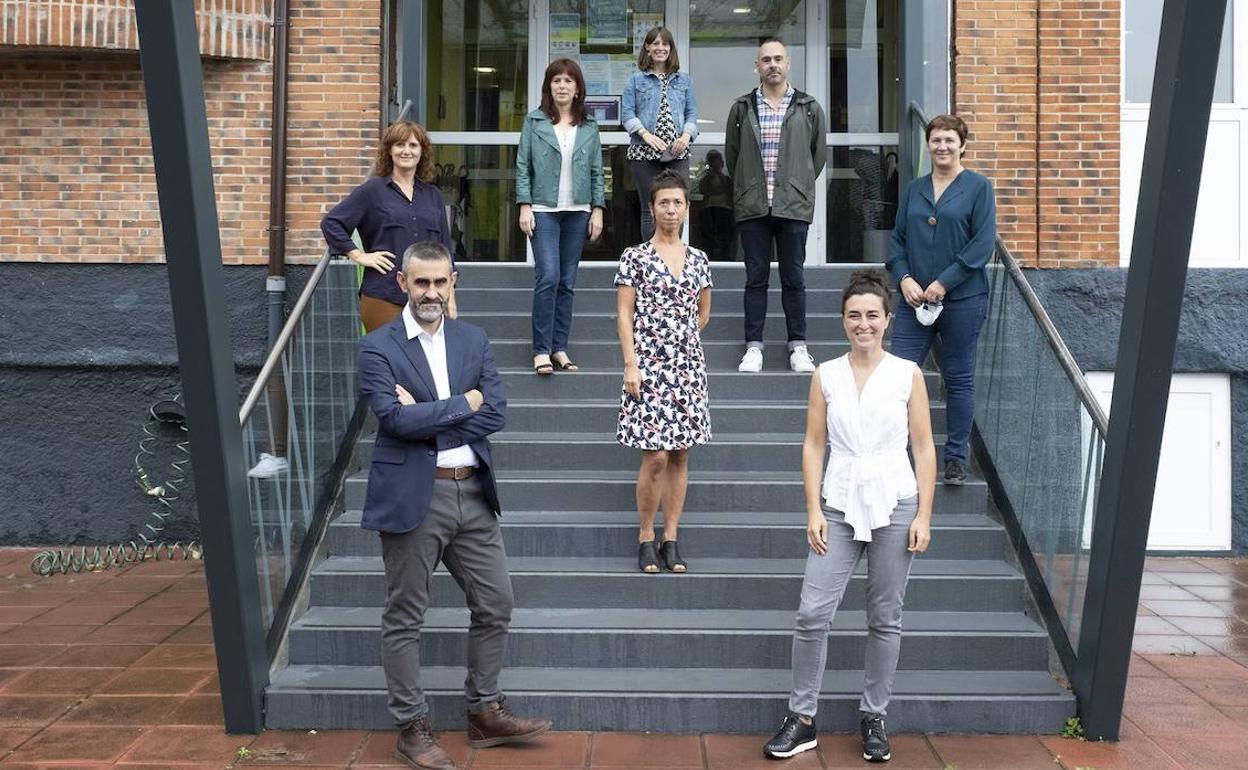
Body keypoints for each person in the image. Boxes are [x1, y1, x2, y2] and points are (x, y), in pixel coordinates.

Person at [357, 242, 551, 770]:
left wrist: (428, 414)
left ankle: (484, 711)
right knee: (405, 615)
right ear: (403, 283)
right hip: (414, 497)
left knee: (496, 603)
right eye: (421, 282)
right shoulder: (378, 347)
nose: (431, 293)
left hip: (474, 494)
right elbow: (393, 420)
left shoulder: (473, 339)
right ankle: (411, 727)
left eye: (440, 282)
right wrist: (462, 404)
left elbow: (496, 412)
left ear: (453, 281)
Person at [763, 270, 936, 764]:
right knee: (812, 614)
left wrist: (924, 514)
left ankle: (874, 716)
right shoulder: (826, 375)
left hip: (896, 502)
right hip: (838, 504)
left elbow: (924, 446)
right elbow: (813, 443)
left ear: (887, 320)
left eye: (872, 315)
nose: (864, 324)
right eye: (855, 315)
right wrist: (812, 508)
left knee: (885, 617)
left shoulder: (907, 374)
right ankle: (801, 718)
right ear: (843, 320)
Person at [885, 114, 997, 485]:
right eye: (936, 140)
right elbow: (898, 241)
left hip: (963, 299)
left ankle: (955, 458)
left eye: (950, 140)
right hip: (914, 301)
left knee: (959, 378)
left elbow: (982, 244)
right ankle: (894, 453)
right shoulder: (914, 189)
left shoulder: (978, 188)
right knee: (899, 377)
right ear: (928, 145)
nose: (943, 146)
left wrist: (944, 283)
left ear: (962, 145)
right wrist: (903, 279)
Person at [614, 171, 712, 574]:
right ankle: (645, 536)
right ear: (652, 209)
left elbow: (702, 314)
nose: (671, 209)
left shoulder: (699, 259)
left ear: (687, 208)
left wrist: (680, 341)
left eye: (678, 203)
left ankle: (671, 538)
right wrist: (632, 363)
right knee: (655, 456)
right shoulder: (634, 257)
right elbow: (624, 314)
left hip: (686, 366)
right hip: (647, 366)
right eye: (664, 203)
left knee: (680, 454)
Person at [724, 37, 827, 374]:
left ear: (788, 63)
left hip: (792, 205)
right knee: (755, 279)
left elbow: (816, 157)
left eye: (778, 59)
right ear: (757, 66)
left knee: (793, 278)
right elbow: (733, 156)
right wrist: (747, 188)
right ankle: (754, 346)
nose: (772, 65)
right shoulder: (742, 108)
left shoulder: (808, 107)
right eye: (766, 60)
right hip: (754, 205)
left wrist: (797, 185)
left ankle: (798, 346)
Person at [322, 120, 457, 333]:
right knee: (387, 353)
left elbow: (445, 249)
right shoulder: (372, 191)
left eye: (413, 145)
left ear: (422, 152)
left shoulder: (433, 195)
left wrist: (450, 296)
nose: (406, 151)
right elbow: (332, 223)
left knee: (424, 354)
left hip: (428, 298)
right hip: (384, 295)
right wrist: (359, 256)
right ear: (389, 151)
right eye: (399, 145)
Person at [517, 58, 605, 375]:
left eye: (569, 80)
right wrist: (524, 204)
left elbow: (597, 171)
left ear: (578, 88)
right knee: (549, 277)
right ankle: (541, 350)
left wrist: (597, 209)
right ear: (549, 87)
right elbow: (523, 166)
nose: (562, 86)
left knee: (567, 282)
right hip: (543, 210)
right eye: (557, 80)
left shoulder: (589, 126)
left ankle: (559, 348)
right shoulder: (534, 121)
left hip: (578, 211)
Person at [621, 26, 698, 241]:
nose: (660, 48)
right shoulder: (636, 80)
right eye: (655, 43)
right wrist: (646, 135)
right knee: (650, 208)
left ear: (670, 48)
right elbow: (626, 113)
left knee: (676, 207)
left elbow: (692, 112)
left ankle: (673, 254)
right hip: (643, 152)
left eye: (665, 44)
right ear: (647, 47)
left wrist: (686, 136)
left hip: (677, 152)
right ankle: (651, 256)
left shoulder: (684, 80)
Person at [696, 149, 734, 261]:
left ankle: (726, 259)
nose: (716, 165)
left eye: (717, 162)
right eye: (712, 162)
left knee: (725, 239)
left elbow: (728, 191)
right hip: (708, 210)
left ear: (722, 163)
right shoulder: (705, 179)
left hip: (725, 210)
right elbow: (703, 190)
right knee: (708, 239)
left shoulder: (726, 179)